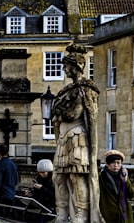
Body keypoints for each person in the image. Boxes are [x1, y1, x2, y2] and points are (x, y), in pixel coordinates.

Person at [53, 44, 100, 223]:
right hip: (64, 137)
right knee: (58, 177)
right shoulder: (66, 91)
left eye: (66, 66)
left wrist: (60, 113)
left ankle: (81, 215)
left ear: (76, 66)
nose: (64, 69)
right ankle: (62, 213)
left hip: (77, 136)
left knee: (76, 176)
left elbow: (75, 114)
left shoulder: (86, 89)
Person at [99, 150, 134, 223]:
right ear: (107, 164)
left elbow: (131, 195)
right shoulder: (101, 177)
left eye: (118, 163)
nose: (116, 165)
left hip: (124, 217)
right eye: (113, 162)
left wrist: (126, 181)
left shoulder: (123, 176)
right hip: (108, 217)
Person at [0, 144, 18, 216]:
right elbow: (16, 181)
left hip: (2, 196)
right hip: (11, 195)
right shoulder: (14, 165)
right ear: (8, 153)